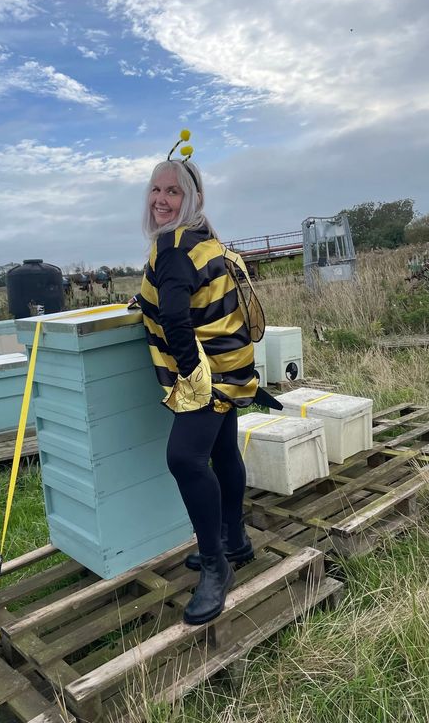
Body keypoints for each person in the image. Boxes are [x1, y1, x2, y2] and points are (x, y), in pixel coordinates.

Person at [132, 131, 264, 626]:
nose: (162, 200)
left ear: (193, 199)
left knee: (184, 458)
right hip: (234, 365)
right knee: (223, 451)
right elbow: (184, 293)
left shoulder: (171, 249)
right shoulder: (203, 239)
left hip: (209, 373)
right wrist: (142, 299)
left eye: (173, 192)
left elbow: (176, 319)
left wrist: (191, 379)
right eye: (156, 190)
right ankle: (234, 539)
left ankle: (216, 567)